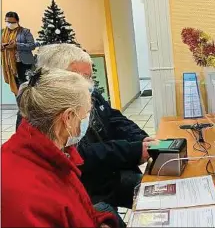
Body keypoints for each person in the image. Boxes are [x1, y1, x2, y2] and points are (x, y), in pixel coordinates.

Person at [16, 44, 154, 228]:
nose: (88, 83)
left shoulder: (85, 91)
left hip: (106, 174)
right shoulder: (40, 116)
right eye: (82, 77)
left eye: (89, 77)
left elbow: (114, 118)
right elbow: (78, 159)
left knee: (155, 192)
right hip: (88, 188)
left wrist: (142, 139)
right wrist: (133, 150)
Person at [2, 68, 117, 227]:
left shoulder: (52, 154)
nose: (85, 122)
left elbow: (78, 210)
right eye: (85, 115)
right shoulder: (28, 193)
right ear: (68, 118)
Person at [1, 11, 36, 95]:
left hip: (23, 62)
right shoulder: (2, 32)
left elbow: (32, 45)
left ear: (17, 21)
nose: (10, 24)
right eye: (8, 22)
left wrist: (17, 45)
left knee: (25, 85)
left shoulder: (25, 32)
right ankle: (20, 106)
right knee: (15, 86)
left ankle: (26, 106)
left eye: (13, 22)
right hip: (9, 64)